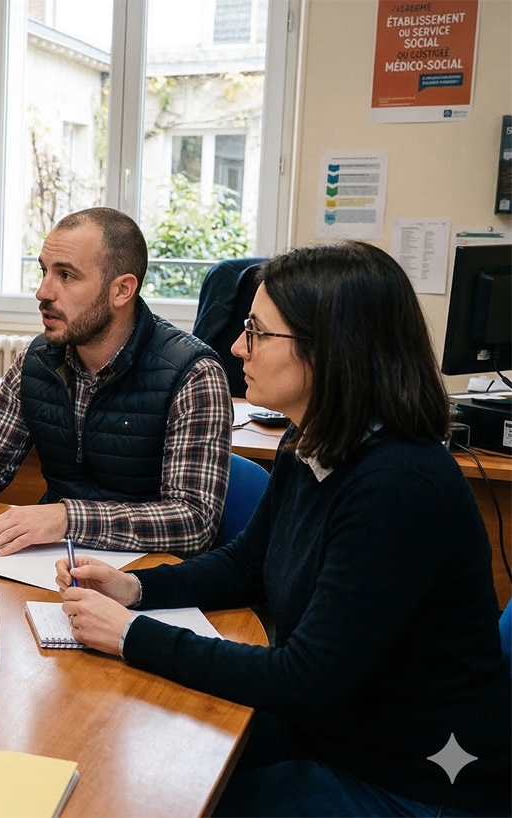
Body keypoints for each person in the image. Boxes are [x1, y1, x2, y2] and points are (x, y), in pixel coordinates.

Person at [57, 242, 510, 816]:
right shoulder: (312, 441)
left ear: (331, 352)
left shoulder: (398, 484)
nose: (236, 345)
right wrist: (138, 590)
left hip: (412, 780)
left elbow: (305, 680)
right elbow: (250, 563)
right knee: (124, 758)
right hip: (337, 734)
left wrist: (130, 635)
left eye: (258, 331)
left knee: (154, 798)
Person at [0, 207, 231, 558]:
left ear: (122, 290)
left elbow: (193, 521)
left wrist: (67, 517)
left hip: (147, 577)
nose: (43, 292)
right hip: (54, 562)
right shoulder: (39, 358)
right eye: (44, 271)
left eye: (67, 276)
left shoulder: (193, 374)